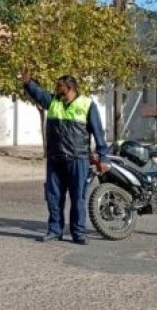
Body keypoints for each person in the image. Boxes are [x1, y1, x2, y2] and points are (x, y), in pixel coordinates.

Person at [20, 68, 108, 245]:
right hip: (55, 159)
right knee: (54, 197)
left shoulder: (86, 104)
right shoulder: (53, 102)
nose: (56, 88)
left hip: (78, 159)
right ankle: (55, 230)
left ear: (69, 87)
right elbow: (39, 94)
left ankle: (78, 233)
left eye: (59, 85)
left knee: (78, 198)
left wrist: (103, 157)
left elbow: (98, 132)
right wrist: (28, 82)